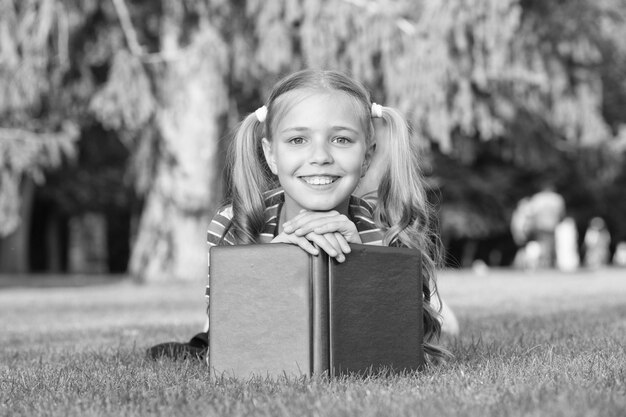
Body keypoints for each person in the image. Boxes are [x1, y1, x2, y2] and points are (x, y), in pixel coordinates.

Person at [148, 69, 455, 363]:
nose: (320, 157)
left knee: (442, 321)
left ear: (367, 157)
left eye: (341, 140)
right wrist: (273, 266)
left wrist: (362, 261)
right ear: (271, 156)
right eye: (298, 140)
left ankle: (447, 313)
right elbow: (232, 347)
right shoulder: (237, 221)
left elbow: (396, 349)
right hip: (259, 320)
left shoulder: (386, 227)